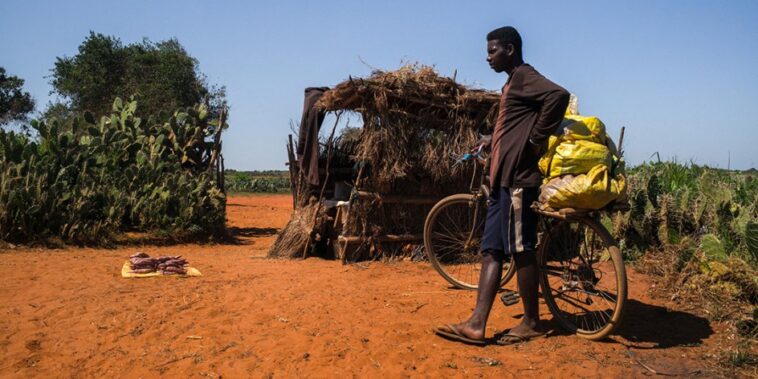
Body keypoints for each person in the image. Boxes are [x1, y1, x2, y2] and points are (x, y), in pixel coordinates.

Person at [434, 26, 569, 345]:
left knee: (522, 250)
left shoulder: (523, 76)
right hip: (502, 182)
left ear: (509, 48)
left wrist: (535, 140)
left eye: (492, 50)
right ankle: (476, 323)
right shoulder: (511, 83)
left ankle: (532, 322)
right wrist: (490, 140)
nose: (487, 56)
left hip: (519, 180)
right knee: (492, 250)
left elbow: (558, 96)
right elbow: (512, 128)